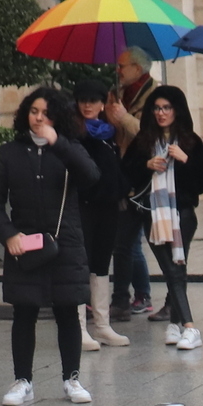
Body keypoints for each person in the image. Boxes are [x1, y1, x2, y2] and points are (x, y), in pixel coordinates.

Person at [0, 82, 100, 405]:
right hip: (25, 243)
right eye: (33, 111)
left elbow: (91, 176)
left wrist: (58, 143)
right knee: (24, 311)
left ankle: (71, 378)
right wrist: (8, 234)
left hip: (66, 242)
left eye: (46, 114)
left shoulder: (69, 146)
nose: (38, 118)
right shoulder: (10, 152)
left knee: (67, 311)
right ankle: (23, 380)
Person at [124, 84, 203, 350]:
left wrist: (185, 160)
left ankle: (188, 327)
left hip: (182, 214)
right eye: (157, 108)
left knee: (176, 269)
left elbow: (202, 183)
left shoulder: (190, 141)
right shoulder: (143, 141)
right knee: (172, 270)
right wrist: (145, 165)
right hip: (153, 214)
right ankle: (177, 325)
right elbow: (125, 173)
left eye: (167, 108)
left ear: (177, 110)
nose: (161, 113)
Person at [70, 80, 129, 350]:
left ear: (102, 103)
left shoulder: (110, 133)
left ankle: (102, 326)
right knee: (83, 261)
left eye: (93, 100)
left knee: (102, 263)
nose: (88, 105)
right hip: (83, 203)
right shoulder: (72, 133)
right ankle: (79, 327)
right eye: (83, 100)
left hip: (108, 204)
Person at [102, 50, 159, 320]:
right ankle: (122, 299)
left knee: (156, 243)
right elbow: (119, 137)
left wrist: (123, 117)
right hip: (124, 176)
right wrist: (111, 121)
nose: (118, 70)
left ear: (138, 67)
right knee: (123, 243)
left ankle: (151, 296)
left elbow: (151, 134)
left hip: (149, 179)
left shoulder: (156, 95)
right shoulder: (119, 94)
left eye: (122, 65)